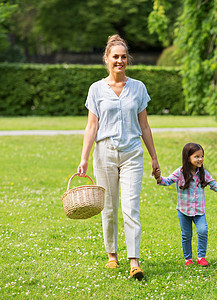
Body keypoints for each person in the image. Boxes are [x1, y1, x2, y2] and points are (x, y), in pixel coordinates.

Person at [77, 34, 160, 280]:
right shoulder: (96, 89)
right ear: (106, 59)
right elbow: (92, 126)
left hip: (132, 153)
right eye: (115, 57)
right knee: (109, 208)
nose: (120, 61)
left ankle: (134, 260)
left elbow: (144, 126)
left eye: (124, 57)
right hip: (104, 154)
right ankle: (112, 255)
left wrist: (154, 158)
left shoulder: (138, 88)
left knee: (131, 206)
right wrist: (84, 158)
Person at [154, 143, 217, 267]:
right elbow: (167, 181)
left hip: (199, 211)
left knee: (203, 231)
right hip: (183, 210)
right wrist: (159, 178)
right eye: (196, 156)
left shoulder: (203, 173)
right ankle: (188, 259)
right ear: (188, 158)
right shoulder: (180, 172)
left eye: (202, 156)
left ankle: (201, 257)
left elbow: (215, 185)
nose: (200, 159)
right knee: (186, 235)